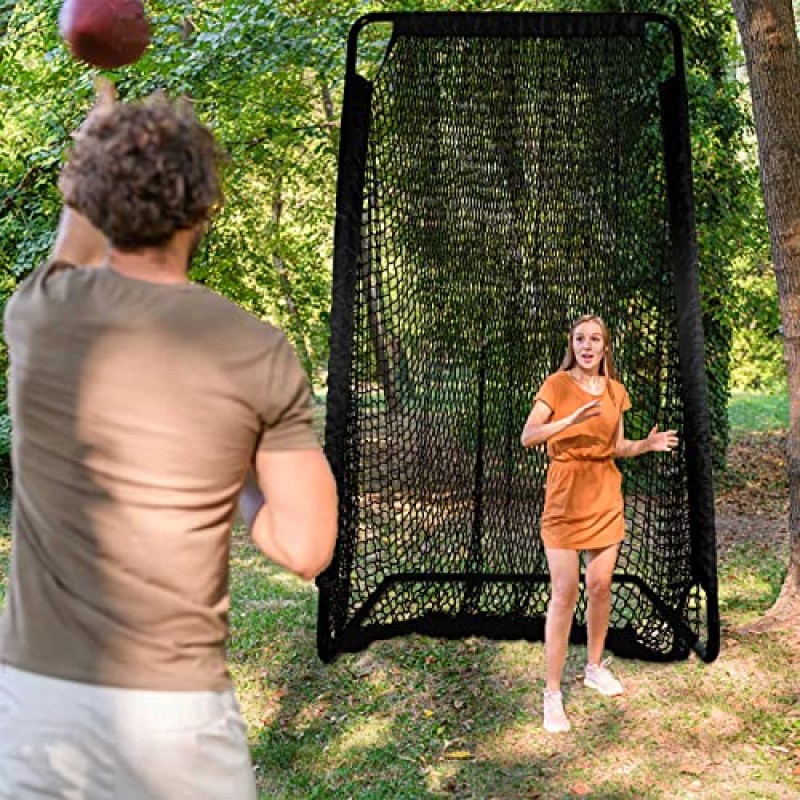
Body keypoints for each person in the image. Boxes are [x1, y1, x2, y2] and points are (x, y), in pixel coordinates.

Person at [0, 85, 338, 799]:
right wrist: (244, 482)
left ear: (91, 196)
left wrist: (97, 142)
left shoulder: (37, 315)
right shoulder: (256, 352)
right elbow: (306, 550)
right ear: (206, 207)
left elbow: (73, 246)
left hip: (36, 709)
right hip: (174, 721)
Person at [520, 314, 677, 734]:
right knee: (564, 591)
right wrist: (569, 420)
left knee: (601, 586)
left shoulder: (615, 391)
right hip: (565, 492)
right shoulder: (556, 384)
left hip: (605, 492)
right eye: (580, 338)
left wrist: (645, 444)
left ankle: (593, 666)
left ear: (605, 346)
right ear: (572, 345)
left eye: (595, 339)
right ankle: (552, 694)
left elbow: (616, 445)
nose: (587, 345)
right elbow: (529, 435)